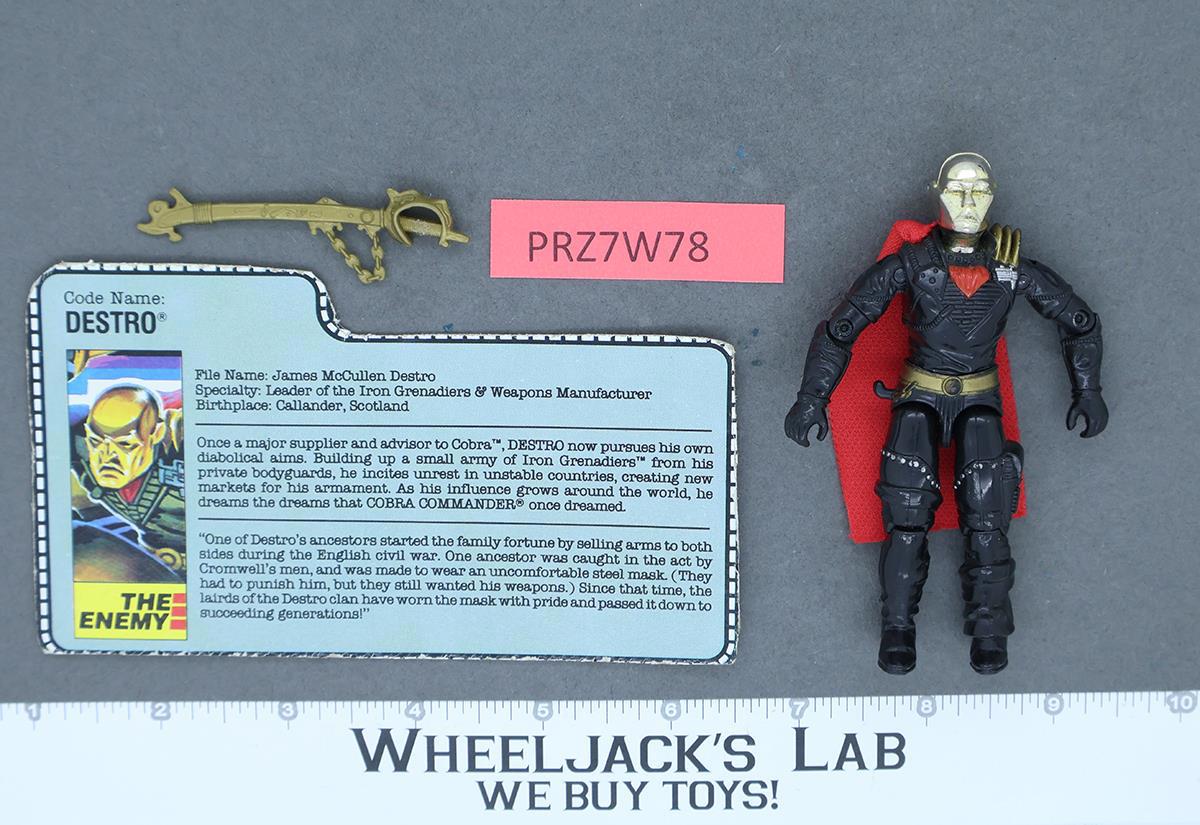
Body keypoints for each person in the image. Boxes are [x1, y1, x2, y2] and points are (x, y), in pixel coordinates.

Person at [784, 152, 1107, 674]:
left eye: (979, 189)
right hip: (920, 396)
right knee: (906, 519)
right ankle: (897, 626)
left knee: (989, 520)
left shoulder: (1009, 266)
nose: (968, 201)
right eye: (957, 189)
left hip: (980, 400)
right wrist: (812, 396)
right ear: (937, 192)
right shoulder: (913, 264)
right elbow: (843, 327)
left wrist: (1087, 388)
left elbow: (1079, 321)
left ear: (993, 194)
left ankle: (989, 628)